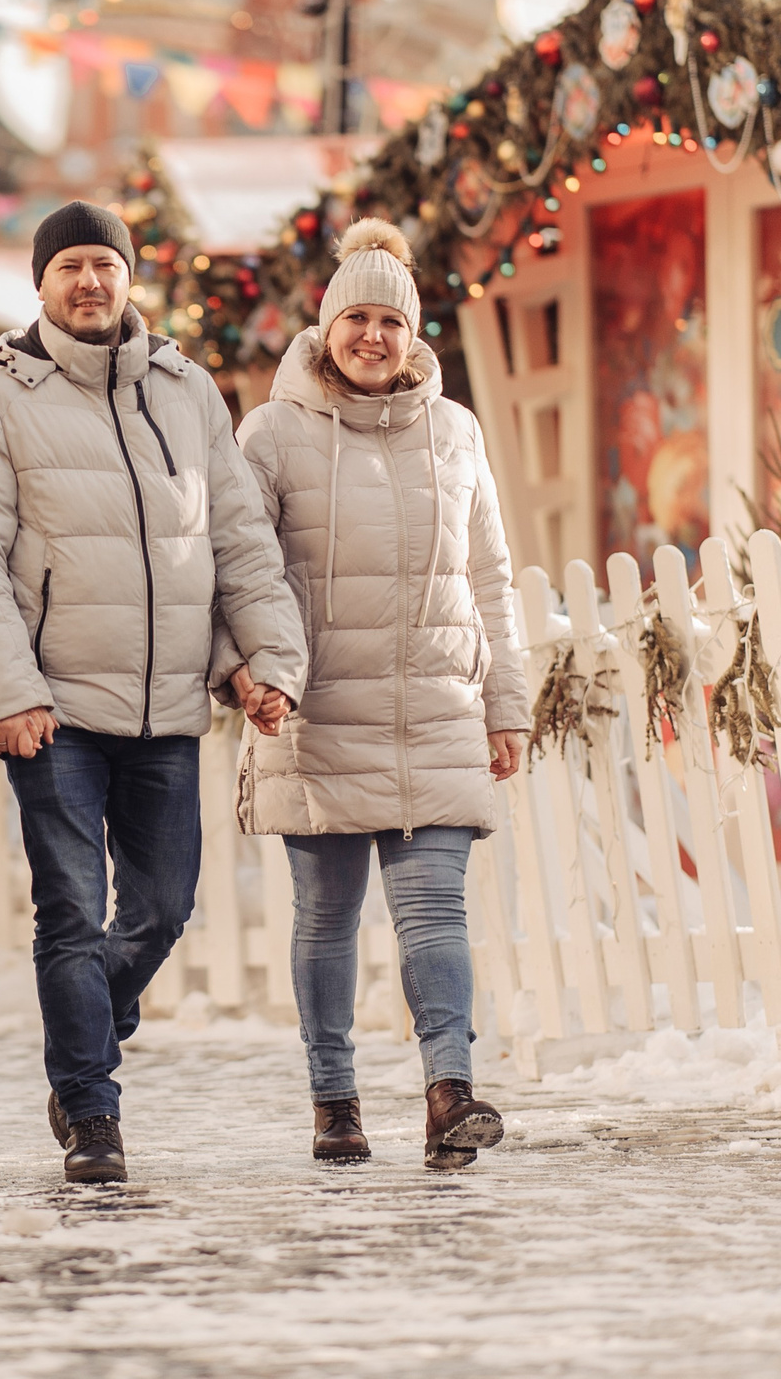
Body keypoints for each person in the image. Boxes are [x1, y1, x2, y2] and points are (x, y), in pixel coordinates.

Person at [0, 199, 306, 1185]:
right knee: (70, 907)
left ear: (128, 276)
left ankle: (86, 1020)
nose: (90, 283)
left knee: (163, 905)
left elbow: (236, 540)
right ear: (41, 285)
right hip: (53, 710)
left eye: (105, 264)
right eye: (71, 269)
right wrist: (5, 695)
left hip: (168, 706)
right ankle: (92, 1113)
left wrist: (257, 660)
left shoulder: (185, 392)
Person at [221, 218, 529, 1169]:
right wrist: (251, 671)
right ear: (324, 329)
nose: (372, 337)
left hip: (436, 707)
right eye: (355, 317)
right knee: (328, 918)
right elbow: (239, 566)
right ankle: (335, 1100)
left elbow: (491, 575)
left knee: (437, 910)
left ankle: (450, 1093)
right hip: (318, 713)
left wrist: (508, 701)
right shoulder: (270, 435)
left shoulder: (455, 430)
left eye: (389, 321)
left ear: (413, 332)